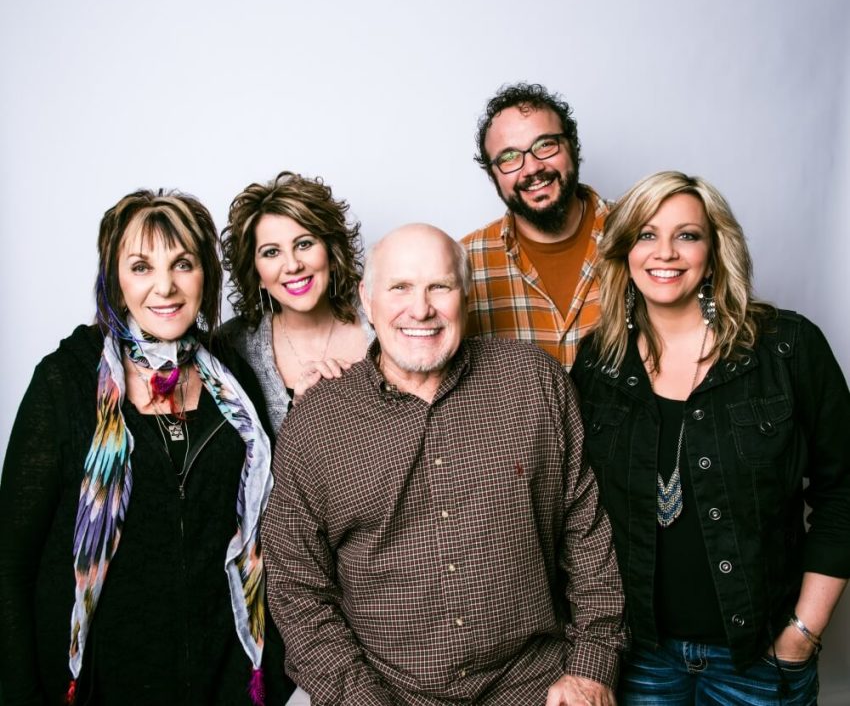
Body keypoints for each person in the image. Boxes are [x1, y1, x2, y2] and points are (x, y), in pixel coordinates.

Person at [262, 223, 627, 705]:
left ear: (467, 296)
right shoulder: (317, 423)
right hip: (387, 692)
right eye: (400, 288)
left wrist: (591, 668)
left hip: (535, 687)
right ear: (367, 301)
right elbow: (297, 588)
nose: (421, 309)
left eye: (439, 286)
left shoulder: (533, 383)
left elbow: (588, 536)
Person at [0, 190, 294, 705]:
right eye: (141, 266)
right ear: (114, 280)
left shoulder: (235, 387)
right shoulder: (64, 383)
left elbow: (272, 541)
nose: (166, 287)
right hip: (91, 690)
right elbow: (9, 565)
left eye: (183, 264)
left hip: (218, 689)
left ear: (205, 275)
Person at [570, 171, 850, 704]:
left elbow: (844, 491)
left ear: (715, 247)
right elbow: (575, 512)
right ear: (624, 252)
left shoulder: (788, 349)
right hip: (639, 659)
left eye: (687, 235)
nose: (665, 253)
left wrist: (802, 634)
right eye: (646, 235)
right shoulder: (598, 364)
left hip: (759, 659)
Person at [461, 82, 609, 369]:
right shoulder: (463, 262)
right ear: (493, 175)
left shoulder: (642, 233)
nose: (531, 168)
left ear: (572, 147)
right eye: (509, 157)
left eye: (545, 145)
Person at [220, 171, 372, 433]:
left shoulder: (383, 319)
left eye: (304, 244)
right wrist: (302, 411)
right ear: (256, 274)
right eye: (271, 252)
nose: (292, 265)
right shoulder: (232, 348)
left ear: (331, 252)